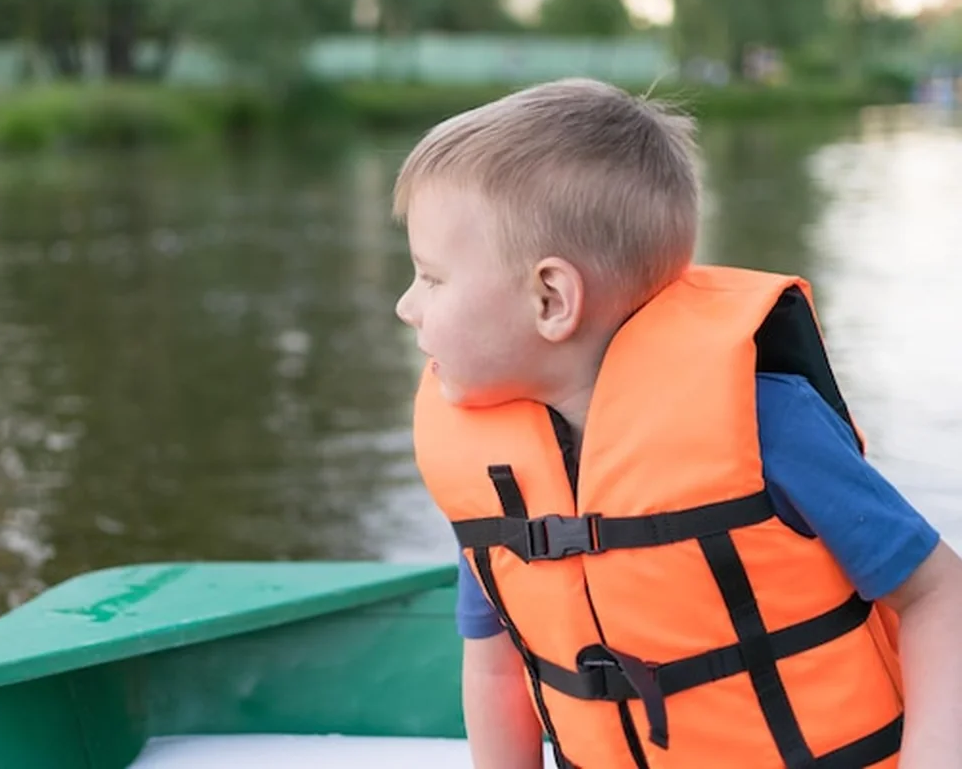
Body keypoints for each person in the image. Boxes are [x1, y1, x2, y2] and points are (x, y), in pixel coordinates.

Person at [392, 78, 962, 768]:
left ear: (551, 298)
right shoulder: (492, 472)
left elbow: (937, 592)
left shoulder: (768, 423)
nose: (407, 305)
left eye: (431, 277)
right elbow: (493, 663)